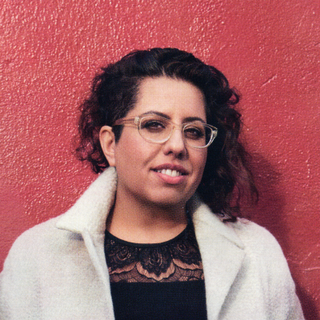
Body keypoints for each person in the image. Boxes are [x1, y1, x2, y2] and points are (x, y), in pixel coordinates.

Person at [0, 48, 304, 319]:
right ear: (110, 144)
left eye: (194, 131)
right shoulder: (38, 255)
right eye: (154, 125)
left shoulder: (256, 252)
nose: (177, 145)